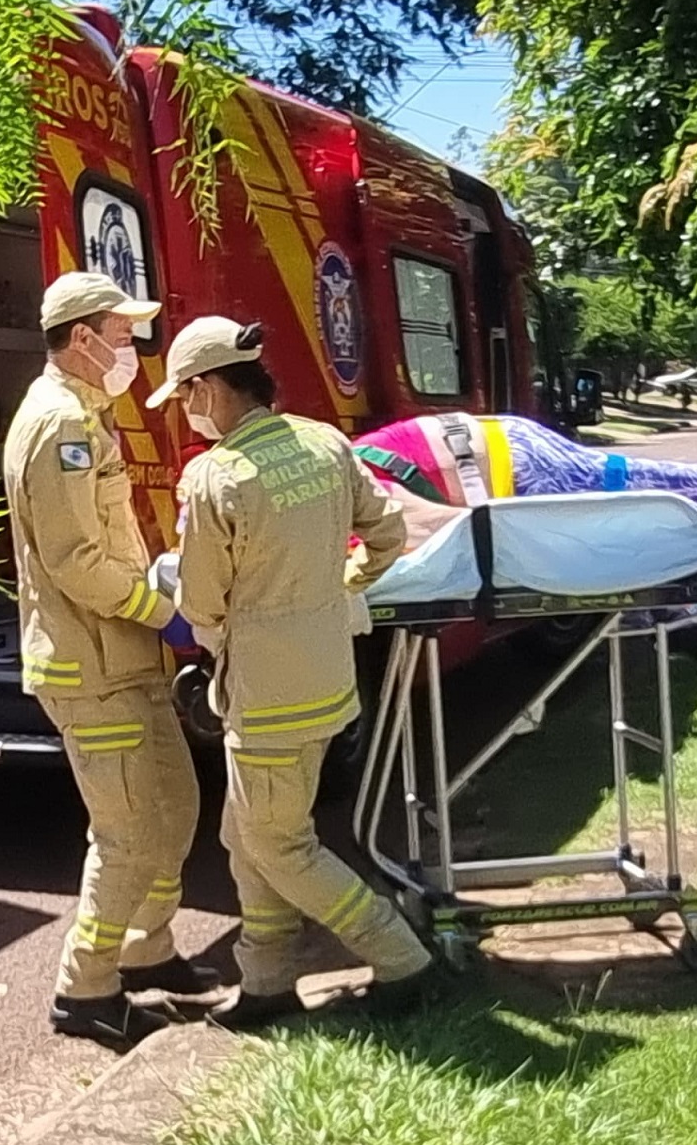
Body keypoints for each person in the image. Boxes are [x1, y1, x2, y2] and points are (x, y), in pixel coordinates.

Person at [150, 316, 436, 1026]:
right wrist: (340, 581)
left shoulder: (214, 477)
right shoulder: (325, 444)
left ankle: (399, 955)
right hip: (329, 680)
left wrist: (219, 618)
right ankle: (267, 980)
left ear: (211, 387)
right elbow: (387, 533)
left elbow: (202, 596)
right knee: (247, 835)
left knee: (279, 842)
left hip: (266, 692)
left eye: (186, 395)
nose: (187, 409)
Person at [3, 272, 212, 1047]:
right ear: (82, 337)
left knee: (176, 809)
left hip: (126, 656)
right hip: (88, 668)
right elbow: (73, 561)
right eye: (122, 335)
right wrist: (167, 614)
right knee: (126, 835)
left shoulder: (88, 412)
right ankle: (84, 990)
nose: (132, 348)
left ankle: (148, 952)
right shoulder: (59, 424)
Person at [349, 410, 697, 553]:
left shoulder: (321, 491)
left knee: (688, 492)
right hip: (508, 462)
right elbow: (417, 523)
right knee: (687, 488)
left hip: (512, 468)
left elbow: (415, 525)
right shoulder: (314, 480)